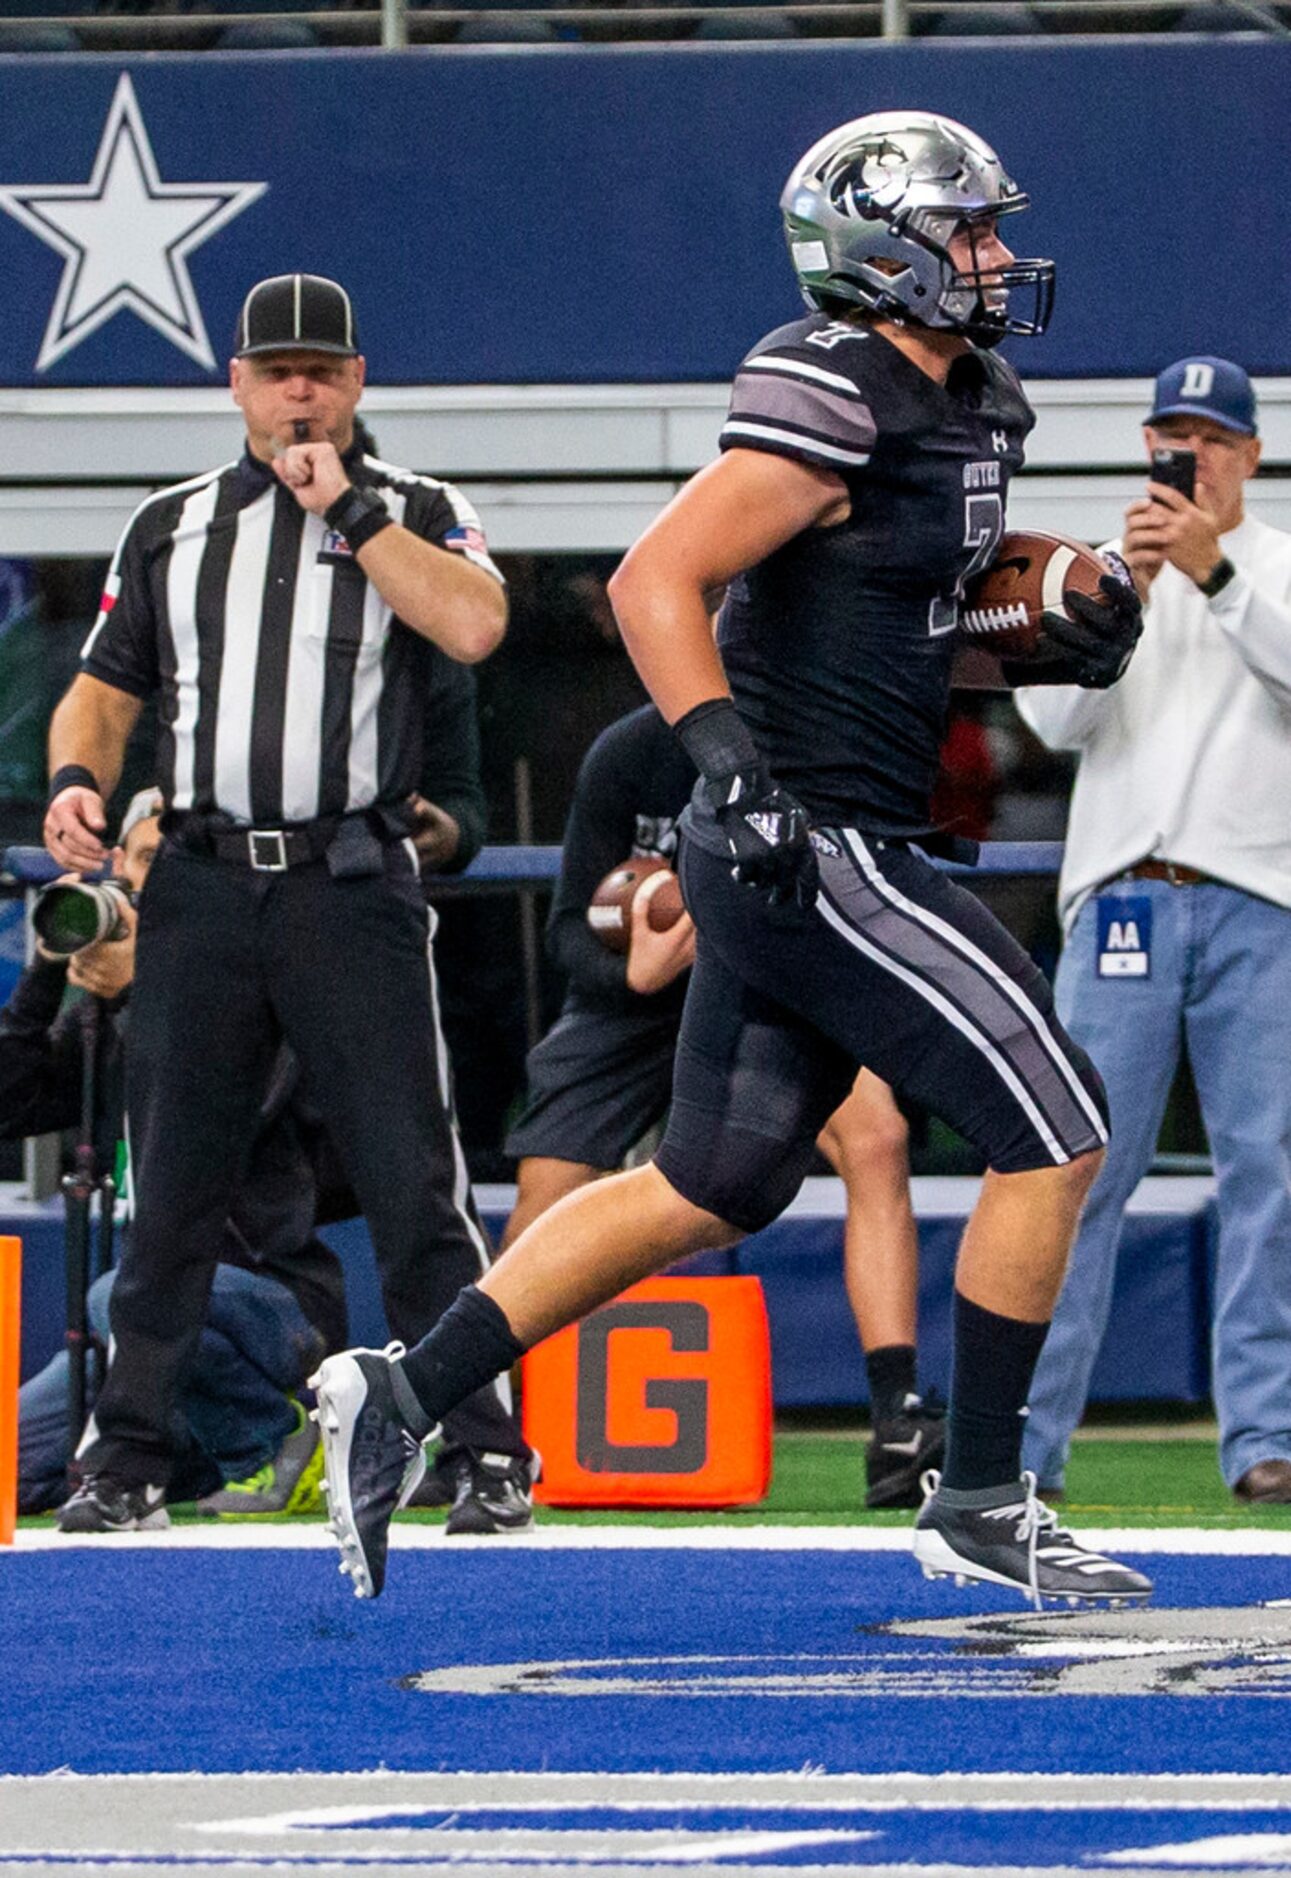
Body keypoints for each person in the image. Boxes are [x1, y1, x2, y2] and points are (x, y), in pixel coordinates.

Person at [311, 113, 1149, 1606]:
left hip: (841, 827)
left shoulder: (978, 400)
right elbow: (655, 578)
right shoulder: (834, 385)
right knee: (1058, 1123)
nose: (999, 258)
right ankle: (973, 1493)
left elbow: (889, 627)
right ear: (882, 250)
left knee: (708, 1181)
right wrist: (728, 771)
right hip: (809, 843)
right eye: (968, 232)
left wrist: (1029, 634)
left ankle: (400, 1389)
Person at [43, 272, 535, 1534]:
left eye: (321, 370)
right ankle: (129, 1456)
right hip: (202, 881)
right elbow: (105, 685)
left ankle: (482, 1448)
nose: (300, 391)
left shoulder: (419, 510)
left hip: (348, 878)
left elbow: (478, 627)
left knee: (412, 1178)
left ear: (357, 382)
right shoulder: (172, 523)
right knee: (176, 1188)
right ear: (240, 387)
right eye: (278, 371)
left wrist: (355, 514)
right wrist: (76, 781)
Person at [504, 701, 944, 1507]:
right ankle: (490, 1424)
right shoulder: (629, 751)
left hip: (767, 968)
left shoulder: (811, 739)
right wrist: (630, 974)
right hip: (637, 995)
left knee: (876, 1137)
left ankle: (897, 1417)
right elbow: (568, 928)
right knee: (548, 1180)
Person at [1018, 357, 1291, 1504]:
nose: (1193, 461)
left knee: (1270, 1175)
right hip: (1125, 894)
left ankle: (1264, 1439)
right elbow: (1048, 721)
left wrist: (1216, 573)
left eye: (1213, 442)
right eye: (1173, 441)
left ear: (1250, 454)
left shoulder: (1274, 563)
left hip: (1260, 897)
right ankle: (1025, 1447)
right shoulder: (1099, 564)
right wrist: (1116, 595)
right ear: (1147, 447)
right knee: (1071, 1173)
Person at [5, 790, 345, 1519]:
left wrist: (148, 993)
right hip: (140, 1337)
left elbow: (236, 1112)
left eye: (178, 861)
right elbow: (9, 1102)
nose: (161, 880)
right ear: (119, 871)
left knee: (124, 1289)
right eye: (149, 860)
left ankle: (279, 1439)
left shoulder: (268, 977)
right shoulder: (103, 1012)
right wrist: (44, 968)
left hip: (268, 1307)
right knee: (13, 1467)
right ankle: (196, 1456)